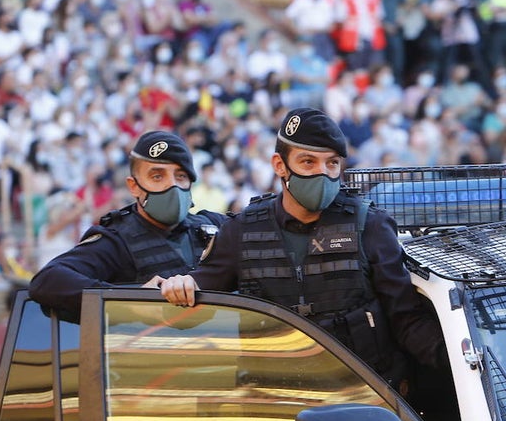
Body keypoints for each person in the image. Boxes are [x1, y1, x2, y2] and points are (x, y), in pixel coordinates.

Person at [159, 108, 446, 390]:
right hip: (276, 398)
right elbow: (201, 289)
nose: (322, 173)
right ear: (279, 165)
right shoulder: (241, 231)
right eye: (308, 162)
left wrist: (455, 361)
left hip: (364, 396)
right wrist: (181, 285)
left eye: (332, 163)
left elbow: (406, 319)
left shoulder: (370, 226)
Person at [29, 130, 227, 321]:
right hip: (147, 351)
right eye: (157, 176)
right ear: (134, 186)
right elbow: (47, 281)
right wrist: (130, 299)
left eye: (180, 176)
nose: (172, 185)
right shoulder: (117, 240)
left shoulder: (213, 226)